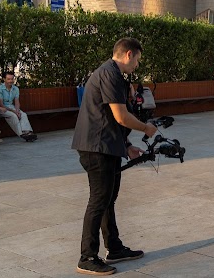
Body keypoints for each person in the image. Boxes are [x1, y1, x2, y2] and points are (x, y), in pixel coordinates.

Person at [71, 38, 158, 276]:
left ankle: (115, 248)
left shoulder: (112, 74)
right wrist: (145, 128)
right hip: (96, 148)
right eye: (138, 60)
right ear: (128, 55)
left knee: (108, 198)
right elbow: (120, 116)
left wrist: (127, 145)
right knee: (99, 200)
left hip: (106, 145)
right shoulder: (110, 74)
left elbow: (109, 118)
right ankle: (87, 256)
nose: (137, 65)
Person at [0, 71, 37, 142]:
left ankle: (27, 132)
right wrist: (14, 111)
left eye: (12, 79)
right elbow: (1, 104)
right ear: (4, 79)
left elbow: (17, 102)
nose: (11, 81)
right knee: (13, 115)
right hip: (1, 108)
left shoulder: (15, 89)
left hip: (11, 106)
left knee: (23, 114)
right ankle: (22, 134)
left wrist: (17, 110)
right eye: (8, 79)